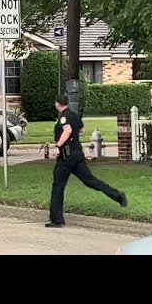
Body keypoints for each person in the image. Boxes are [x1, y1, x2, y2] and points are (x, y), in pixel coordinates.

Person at [47, 94, 128, 228]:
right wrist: (73, 136)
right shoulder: (74, 115)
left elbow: (68, 130)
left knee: (58, 186)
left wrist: (58, 146)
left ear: (57, 104)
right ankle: (118, 195)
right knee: (90, 180)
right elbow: (82, 131)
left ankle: (57, 219)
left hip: (66, 157)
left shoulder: (63, 117)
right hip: (77, 155)